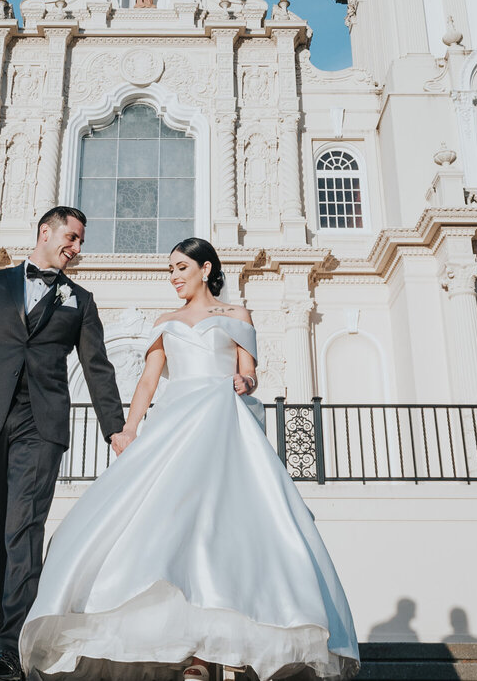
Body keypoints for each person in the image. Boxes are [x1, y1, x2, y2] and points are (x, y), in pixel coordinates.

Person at [19, 237, 359, 681]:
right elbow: (146, 383)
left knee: (225, 531)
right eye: (171, 270)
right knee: (173, 531)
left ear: (205, 268)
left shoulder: (237, 315)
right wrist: (129, 429)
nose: (174, 276)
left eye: (181, 267)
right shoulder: (166, 322)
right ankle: (192, 654)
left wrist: (245, 383)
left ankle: (227, 649)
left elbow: (249, 372)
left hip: (223, 423)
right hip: (176, 423)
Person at [0, 206, 128, 681]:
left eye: (81, 240)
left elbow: (97, 367)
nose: (77, 247)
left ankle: (11, 652)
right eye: (72, 236)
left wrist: (117, 428)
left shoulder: (79, 301)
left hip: (41, 426)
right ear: (46, 231)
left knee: (23, 532)